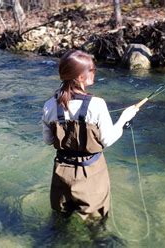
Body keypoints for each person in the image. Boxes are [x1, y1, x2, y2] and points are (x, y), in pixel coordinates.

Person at [42, 50, 138, 221]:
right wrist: (124, 119)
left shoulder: (49, 105)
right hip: (91, 174)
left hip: (61, 174)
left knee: (59, 223)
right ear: (80, 77)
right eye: (92, 69)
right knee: (97, 227)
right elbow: (107, 140)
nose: (95, 72)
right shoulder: (97, 104)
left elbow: (48, 140)